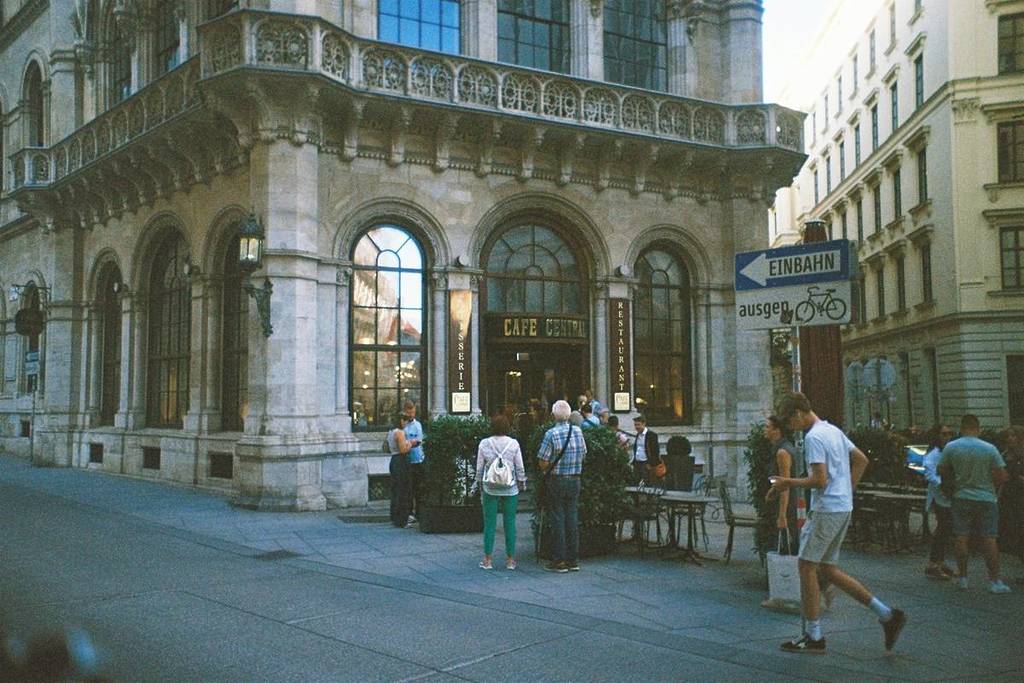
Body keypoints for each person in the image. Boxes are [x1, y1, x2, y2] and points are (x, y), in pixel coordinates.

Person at [769, 392, 905, 655]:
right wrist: (846, 489)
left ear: (798, 413)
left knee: (806, 565)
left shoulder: (814, 437)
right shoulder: (832, 430)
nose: (790, 427)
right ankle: (887, 614)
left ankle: (813, 635)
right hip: (842, 506)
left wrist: (787, 483)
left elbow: (819, 480)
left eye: (789, 421)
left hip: (827, 508)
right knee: (828, 569)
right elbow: (861, 459)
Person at [938, 414, 1012, 593]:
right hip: (986, 497)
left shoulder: (951, 447)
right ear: (977, 428)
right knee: (989, 538)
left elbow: (941, 469)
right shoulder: (989, 448)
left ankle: (963, 578)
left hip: (961, 496)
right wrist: (991, 487)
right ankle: (994, 581)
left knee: (961, 537)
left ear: (962, 428)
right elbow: (1002, 475)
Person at [537, 400, 587, 573]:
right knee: (572, 517)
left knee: (558, 518)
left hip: (557, 479)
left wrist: (547, 471)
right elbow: (583, 454)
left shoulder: (551, 434)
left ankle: (559, 560)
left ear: (553, 415)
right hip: (575, 479)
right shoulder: (578, 431)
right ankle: (573, 560)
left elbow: (543, 460)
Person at [475, 415, 527, 571]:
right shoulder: (514, 444)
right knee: (510, 523)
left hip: (490, 487)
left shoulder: (484, 443)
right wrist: (522, 481)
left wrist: (478, 483)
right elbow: (519, 466)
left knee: (489, 523)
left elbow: (479, 467)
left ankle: (488, 560)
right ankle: (510, 560)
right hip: (510, 487)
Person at [764, 415, 802, 555]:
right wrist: (773, 490)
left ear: (777, 431)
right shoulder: (781, 448)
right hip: (786, 502)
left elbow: (785, 483)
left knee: (787, 546)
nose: (765, 430)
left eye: (768, 427)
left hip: (788, 505)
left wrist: (782, 515)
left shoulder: (782, 452)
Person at [922, 424, 956, 580]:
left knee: (946, 529)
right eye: (944, 434)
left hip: (950, 497)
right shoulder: (933, 456)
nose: (947, 437)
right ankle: (933, 563)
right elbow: (930, 476)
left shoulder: (952, 452)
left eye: (950, 433)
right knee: (943, 529)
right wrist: (944, 485)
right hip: (940, 498)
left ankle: (940, 561)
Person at [998, 425, 1024, 584]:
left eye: (1013, 435)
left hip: (1020, 496)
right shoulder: (1005, 454)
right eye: (1008, 436)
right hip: (1010, 498)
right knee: (1015, 532)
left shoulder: (1018, 455)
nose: (1009, 438)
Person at [387, 414, 413, 528]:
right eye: (406, 421)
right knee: (403, 491)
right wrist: (410, 444)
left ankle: (395, 516)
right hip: (401, 461)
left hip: (393, 460)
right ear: (401, 421)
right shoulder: (400, 433)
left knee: (395, 490)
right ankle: (402, 519)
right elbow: (403, 450)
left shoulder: (390, 432)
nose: (406, 424)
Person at [403, 401, 425, 525]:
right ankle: (409, 512)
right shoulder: (403, 425)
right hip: (407, 460)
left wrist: (410, 443)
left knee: (418, 488)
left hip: (418, 459)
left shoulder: (418, 425)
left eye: (412, 412)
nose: (411, 414)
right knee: (408, 489)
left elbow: (419, 441)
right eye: (408, 412)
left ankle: (419, 513)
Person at [631, 414, 661, 484]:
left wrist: (650, 464)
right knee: (636, 482)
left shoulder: (651, 435)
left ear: (644, 424)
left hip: (646, 463)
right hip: (637, 463)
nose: (636, 427)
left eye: (638, 425)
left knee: (648, 482)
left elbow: (655, 451)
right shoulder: (638, 435)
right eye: (635, 425)